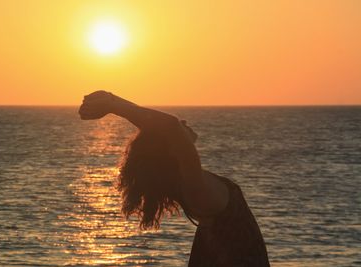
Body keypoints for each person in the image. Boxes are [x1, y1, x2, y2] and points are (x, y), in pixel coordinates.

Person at [79, 90, 270, 267]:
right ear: (171, 149)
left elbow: (161, 131)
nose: (183, 123)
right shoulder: (195, 188)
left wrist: (113, 103)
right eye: (180, 127)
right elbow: (168, 126)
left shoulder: (183, 182)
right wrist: (113, 104)